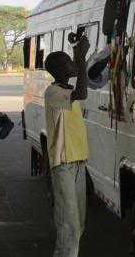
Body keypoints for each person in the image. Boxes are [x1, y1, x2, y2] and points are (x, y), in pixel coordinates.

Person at [44, 36, 90, 257]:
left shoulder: (67, 90)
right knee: (68, 227)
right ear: (62, 70)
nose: (74, 65)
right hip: (63, 165)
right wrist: (81, 57)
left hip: (77, 163)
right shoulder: (53, 93)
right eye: (70, 63)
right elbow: (82, 92)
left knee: (77, 224)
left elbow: (82, 89)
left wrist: (82, 60)